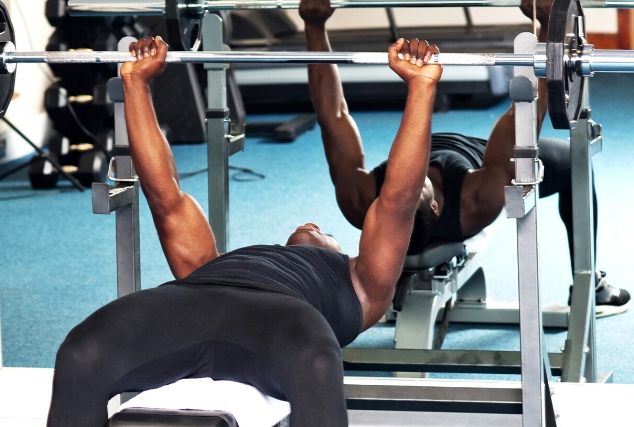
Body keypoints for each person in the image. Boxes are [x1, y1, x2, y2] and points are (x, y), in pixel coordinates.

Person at [46, 36, 442, 427]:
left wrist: (421, 89)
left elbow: (396, 202)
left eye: (324, 232)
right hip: (188, 304)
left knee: (317, 361)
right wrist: (135, 83)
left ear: (339, 251)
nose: (310, 225)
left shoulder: (363, 285)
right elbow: (166, 196)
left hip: (283, 323)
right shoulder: (206, 263)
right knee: (81, 353)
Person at [299, 0, 630, 316]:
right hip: (480, 154)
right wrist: (547, 28)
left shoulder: (361, 201)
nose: (402, 185)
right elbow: (527, 109)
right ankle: (590, 284)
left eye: (391, 194)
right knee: (577, 160)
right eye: (409, 192)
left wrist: (314, 26)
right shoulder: (479, 199)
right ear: (434, 207)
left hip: (436, 162)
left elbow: (333, 115)